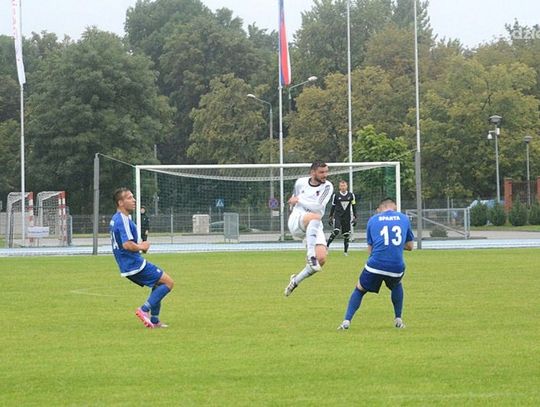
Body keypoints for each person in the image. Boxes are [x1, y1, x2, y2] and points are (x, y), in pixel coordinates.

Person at [337, 197, 414, 330]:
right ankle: (398, 319)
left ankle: (346, 321)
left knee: (360, 289)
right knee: (396, 284)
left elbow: (370, 250)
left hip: (376, 265)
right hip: (396, 266)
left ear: (380, 208)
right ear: (394, 207)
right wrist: (394, 246)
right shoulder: (404, 219)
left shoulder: (373, 220)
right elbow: (410, 246)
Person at [109, 187, 174, 328]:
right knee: (168, 283)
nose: (134, 200)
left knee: (159, 283)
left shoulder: (117, 218)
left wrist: (139, 246)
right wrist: (141, 247)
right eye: (129, 198)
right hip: (133, 263)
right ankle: (144, 310)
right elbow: (127, 245)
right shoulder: (122, 219)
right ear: (120, 202)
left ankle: (155, 321)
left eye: (133, 197)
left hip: (128, 264)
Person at [284, 161, 334, 296]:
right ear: (313, 173)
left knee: (321, 259)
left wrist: (299, 200)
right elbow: (293, 199)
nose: (325, 175)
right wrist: (293, 203)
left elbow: (318, 207)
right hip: (298, 218)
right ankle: (310, 255)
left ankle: (295, 281)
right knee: (314, 217)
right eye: (321, 172)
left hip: (315, 222)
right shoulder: (300, 182)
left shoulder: (328, 186)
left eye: (326, 172)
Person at [327, 180, 357, 256]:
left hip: (347, 217)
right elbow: (333, 206)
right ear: (339, 187)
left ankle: (345, 252)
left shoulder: (351, 195)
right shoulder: (336, 195)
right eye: (341, 186)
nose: (343, 187)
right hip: (338, 216)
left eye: (344, 186)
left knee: (346, 235)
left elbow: (354, 206)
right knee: (336, 231)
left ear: (347, 186)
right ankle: (327, 246)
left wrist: (355, 217)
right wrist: (330, 216)